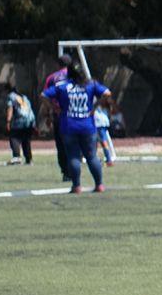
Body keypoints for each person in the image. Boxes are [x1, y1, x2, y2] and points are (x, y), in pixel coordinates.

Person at [41, 61, 111, 194]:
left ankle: (77, 186)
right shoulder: (91, 85)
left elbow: (43, 95)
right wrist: (95, 107)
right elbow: (107, 93)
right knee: (91, 156)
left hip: (69, 126)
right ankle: (99, 184)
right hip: (87, 126)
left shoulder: (62, 86)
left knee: (73, 156)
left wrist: (54, 107)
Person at [44, 55, 73, 182]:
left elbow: (45, 96)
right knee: (75, 143)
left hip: (59, 115)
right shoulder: (76, 76)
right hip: (76, 114)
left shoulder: (52, 78)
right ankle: (75, 169)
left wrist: (50, 111)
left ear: (58, 64)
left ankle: (66, 172)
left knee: (61, 145)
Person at [5, 87, 36, 165]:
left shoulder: (11, 96)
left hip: (20, 119)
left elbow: (10, 108)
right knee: (26, 140)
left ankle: (17, 156)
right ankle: (29, 158)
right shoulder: (24, 97)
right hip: (30, 119)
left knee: (14, 137)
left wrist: (8, 121)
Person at [94, 95, 117, 164]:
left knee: (103, 141)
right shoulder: (100, 102)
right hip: (99, 123)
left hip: (100, 124)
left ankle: (109, 158)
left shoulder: (102, 102)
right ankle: (96, 158)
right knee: (95, 142)